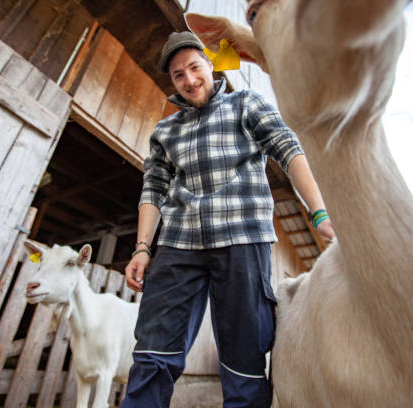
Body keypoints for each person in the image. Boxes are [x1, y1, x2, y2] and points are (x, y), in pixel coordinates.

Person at [120, 31, 335, 408]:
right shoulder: (165, 131)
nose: (188, 80)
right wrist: (141, 247)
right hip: (178, 244)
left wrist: (319, 212)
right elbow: (152, 190)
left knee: (244, 354)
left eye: (193, 67)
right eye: (177, 75)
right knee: (153, 348)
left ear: (210, 65)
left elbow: (288, 150)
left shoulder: (245, 104)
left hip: (241, 237)